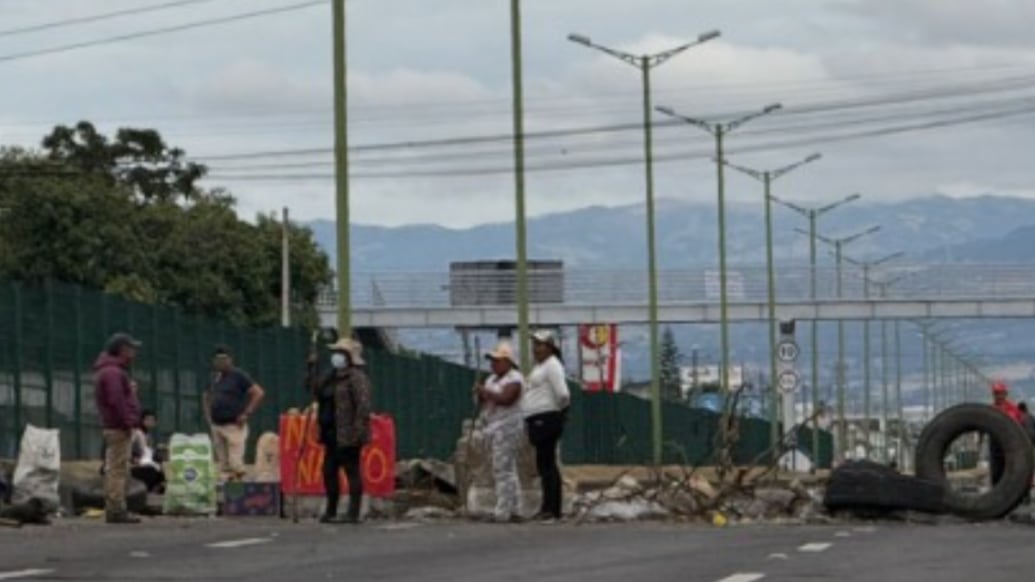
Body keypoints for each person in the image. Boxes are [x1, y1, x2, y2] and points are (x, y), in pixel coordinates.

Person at [309, 338, 372, 524]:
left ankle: (353, 512)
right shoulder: (331, 376)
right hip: (330, 433)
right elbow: (315, 390)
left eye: (341, 353)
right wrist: (311, 367)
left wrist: (357, 431)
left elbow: (363, 406)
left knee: (351, 470)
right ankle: (331, 510)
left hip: (348, 433)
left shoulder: (357, 378)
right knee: (329, 471)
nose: (336, 356)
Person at [93, 332, 143, 525]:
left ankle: (115, 508)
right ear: (123, 350)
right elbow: (116, 401)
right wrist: (128, 422)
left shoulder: (108, 371)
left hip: (114, 426)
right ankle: (115, 510)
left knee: (116, 468)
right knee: (117, 470)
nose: (134, 354)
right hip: (118, 427)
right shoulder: (113, 372)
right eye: (131, 349)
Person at [522, 330, 570, 521]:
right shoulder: (540, 367)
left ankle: (551, 509)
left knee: (547, 465)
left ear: (550, 347)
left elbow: (563, 394)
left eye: (540, 344)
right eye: (534, 345)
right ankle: (548, 507)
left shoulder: (552, 366)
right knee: (544, 465)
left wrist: (557, 413)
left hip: (547, 417)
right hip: (538, 418)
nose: (536, 349)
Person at [476, 341, 525, 523]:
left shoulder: (515, 379)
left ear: (508, 361)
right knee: (507, 469)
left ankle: (503, 510)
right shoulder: (490, 380)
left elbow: (506, 399)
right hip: (493, 427)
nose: (493, 364)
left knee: (503, 470)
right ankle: (515, 507)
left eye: (497, 360)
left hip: (508, 428)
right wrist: (480, 394)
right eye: (492, 361)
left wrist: (486, 392)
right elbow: (484, 402)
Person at [204, 346, 265, 482]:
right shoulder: (214, 377)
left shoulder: (239, 375)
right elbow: (207, 396)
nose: (220, 362)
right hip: (217, 424)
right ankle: (228, 490)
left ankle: (239, 488)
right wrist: (208, 416)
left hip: (234, 424)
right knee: (223, 463)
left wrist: (246, 413)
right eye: (217, 359)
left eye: (224, 359)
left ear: (230, 360)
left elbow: (258, 393)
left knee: (236, 463)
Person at [990, 381, 1023, 486]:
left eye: (1000, 393)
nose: (998, 396)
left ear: (1005, 394)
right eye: (995, 393)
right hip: (995, 444)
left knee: (1011, 470)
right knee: (996, 472)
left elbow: (1019, 425)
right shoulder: (990, 409)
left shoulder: (1013, 409)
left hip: (1010, 444)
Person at [130, 410, 166, 493]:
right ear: (142, 420)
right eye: (148, 419)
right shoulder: (136, 433)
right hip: (135, 466)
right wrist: (133, 459)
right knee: (151, 470)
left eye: (152, 420)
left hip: (145, 463)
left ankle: (157, 487)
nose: (150, 422)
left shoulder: (149, 436)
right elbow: (129, 450)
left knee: (158, 465)